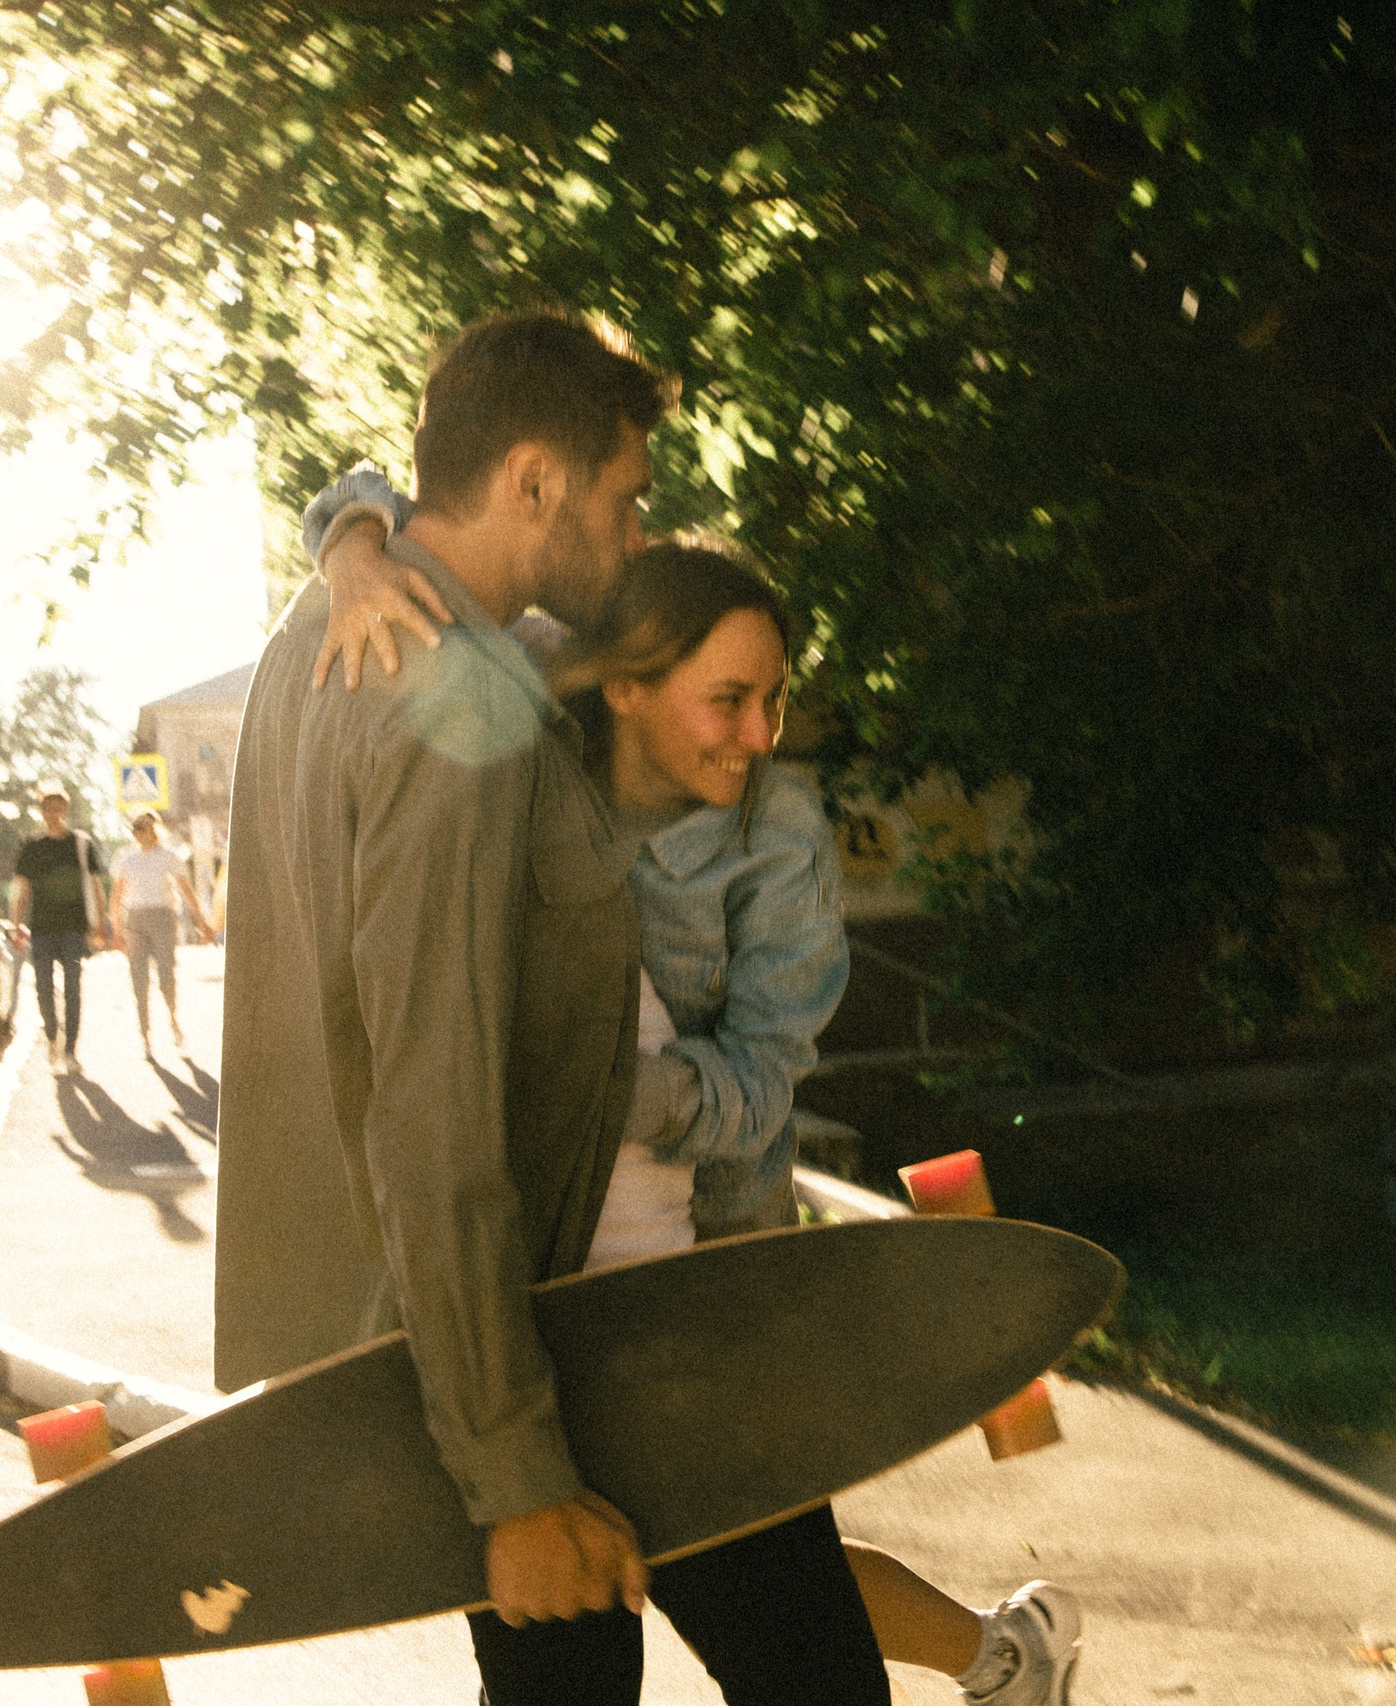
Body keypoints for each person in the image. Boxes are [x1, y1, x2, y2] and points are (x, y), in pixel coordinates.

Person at [214, 307, 889, 1706]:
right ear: (533, 481)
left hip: (426, 1330)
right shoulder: (454, 698)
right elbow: (432, 1110)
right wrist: (517, 1476)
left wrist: (350, 535)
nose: (637, 537)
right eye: (624, 497)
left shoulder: (313, 633)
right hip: (528, 1344)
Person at [309, 498, 1085, 1705]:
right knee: (572, 1676)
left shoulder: (776, 836)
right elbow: (433, 493)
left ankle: (1006, 1652)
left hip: (708, 1311)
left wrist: (593, 1087)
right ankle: (1008, 1652)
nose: (759, 733)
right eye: (729, 699)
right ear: (624, 685)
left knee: (801, 1658)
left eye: (773, 698)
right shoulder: (523, 751)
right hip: (534, 1318)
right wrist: (350, 547)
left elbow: (760, 1085)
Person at [9, 786, 107, 1076]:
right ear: (41, 812)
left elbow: (95, 886)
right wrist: (16, 925)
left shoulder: (80, 844)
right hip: (41, 929)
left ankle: (70, 1052)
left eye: (57, 808)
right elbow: (21, 889)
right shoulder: (32, 847)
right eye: (47, 808)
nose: (53, 814)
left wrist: (100, 924)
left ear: (65, 810)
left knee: (73, 989)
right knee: (43, 988)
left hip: (74, 928)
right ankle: (52, 1036)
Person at [107, 809, 215, 1053]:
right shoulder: (126, 858)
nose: (137, 833)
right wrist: (117, 929)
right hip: (135, 920)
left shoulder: (168, 856)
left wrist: (202, 921)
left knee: (166, 975)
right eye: (134, 828)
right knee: (139, 978)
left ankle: (173, 1018)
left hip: (162, 917)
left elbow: (185, 890)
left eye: (142, 827)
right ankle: (145, 1034)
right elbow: (117, 895)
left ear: (153, 829)